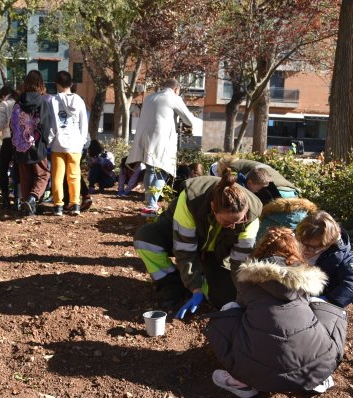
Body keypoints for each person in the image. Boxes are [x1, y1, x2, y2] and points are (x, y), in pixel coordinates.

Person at [205, 227, 347, 397]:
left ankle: (243, 382)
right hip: (313, 371)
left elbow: (241, 308)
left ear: (262, 249)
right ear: (295, 251)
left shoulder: (248, 279)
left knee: (230, 309)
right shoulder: (304, 279)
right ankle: (318, 379)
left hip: (254, 372)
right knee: (322, 306)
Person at [133, 170, 263, 318]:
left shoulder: (251, 217)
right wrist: (195, 288)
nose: (234, 226)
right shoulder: (191, 199)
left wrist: (242, 297)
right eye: (227, 222)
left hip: (216, 252)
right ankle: (173, 284)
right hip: (182, 238)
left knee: (224, 298)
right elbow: (184, 250)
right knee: (145, 240)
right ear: (213, 208)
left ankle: (205, 279)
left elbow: (240, 262)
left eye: (239, 220)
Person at [126, 78, 195, 217]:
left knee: (150, 169)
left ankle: (149, 204)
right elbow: (189, 120)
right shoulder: (173, 98)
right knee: (161, 170)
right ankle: (151, 206)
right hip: (162, 140)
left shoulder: (150, 98)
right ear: (176, 89)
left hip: (145, 139)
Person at [296, 211, 353, 307]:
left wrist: (327, 300)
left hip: (316, 303)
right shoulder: (293, 242)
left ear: (328, 244)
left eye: (312, 247)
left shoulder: (340, 255)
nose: (304, 249)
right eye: (302, 243)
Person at [13, 70, 55, 217]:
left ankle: (28, 208)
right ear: (40, 83)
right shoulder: (42, 101)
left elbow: (13, 123)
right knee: (43, 174)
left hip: (20, 144)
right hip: (37, 144)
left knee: (25, 177)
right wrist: (44, 140)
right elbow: (45, 123)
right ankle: (32, 198)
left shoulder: (18, 102)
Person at [49, 71, 88, 216]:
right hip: (75, 144)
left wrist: (49, 141)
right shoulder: (79, 100)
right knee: (74, 175)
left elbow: (53, 124)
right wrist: (82, 141)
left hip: (58, 144)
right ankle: (76, 204)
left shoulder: (53, 101)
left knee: (58, 176)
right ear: (71, 84)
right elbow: (84, 123)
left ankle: (58, 206)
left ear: (57, 84)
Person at [0, 85, 20, 208]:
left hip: (8, 139)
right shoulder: (19, 102)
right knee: (18, 169)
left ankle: (5, 199)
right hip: (20, 141)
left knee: (3, 167)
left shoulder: (4, 104)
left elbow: (0, 123)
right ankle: (18, 199)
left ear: (3, 95)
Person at [209, 155, 299, 200]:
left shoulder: (233, 167)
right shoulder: (247, 163)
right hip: (291, 191)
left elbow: (233, 187)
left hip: (277, 190)